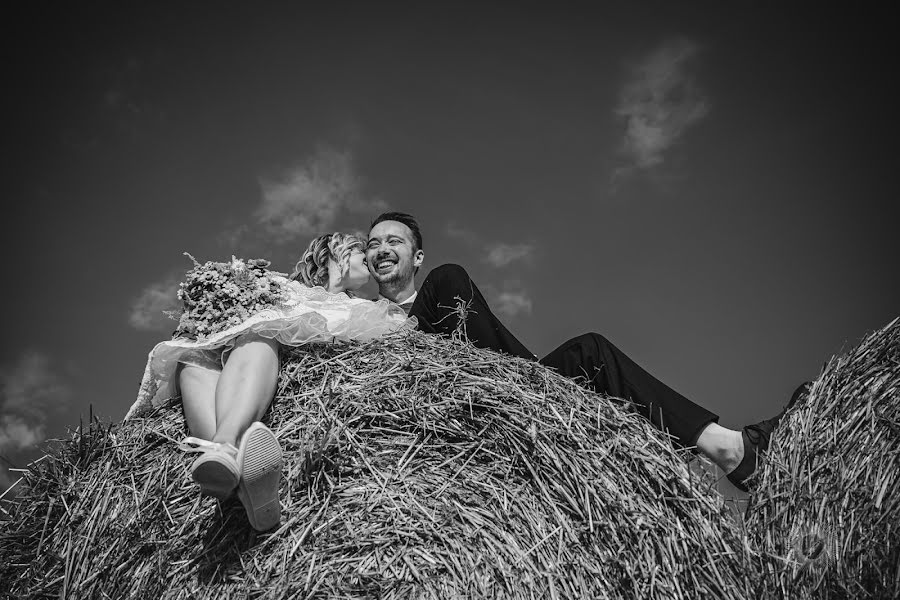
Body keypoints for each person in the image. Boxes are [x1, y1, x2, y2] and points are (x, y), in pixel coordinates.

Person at [365, 211, 809, 492]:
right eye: (372, 244)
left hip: (504, 396)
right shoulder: (357, 318)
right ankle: (529, 386)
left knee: (590, 351)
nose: (382, 249)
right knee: (449, 279)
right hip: (450, 426)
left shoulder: (439, 294)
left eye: (394, 241)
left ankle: (729, 448)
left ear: (415, 256)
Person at [131, 233, 413, 530]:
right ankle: (226, 459)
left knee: (261, 335)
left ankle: (226, 453)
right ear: (337, 252)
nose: (370, 261)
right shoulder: (282, 292)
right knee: (192, 358)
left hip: (259, 356)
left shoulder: (370, 311)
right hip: (243, 362)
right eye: (361, 253)